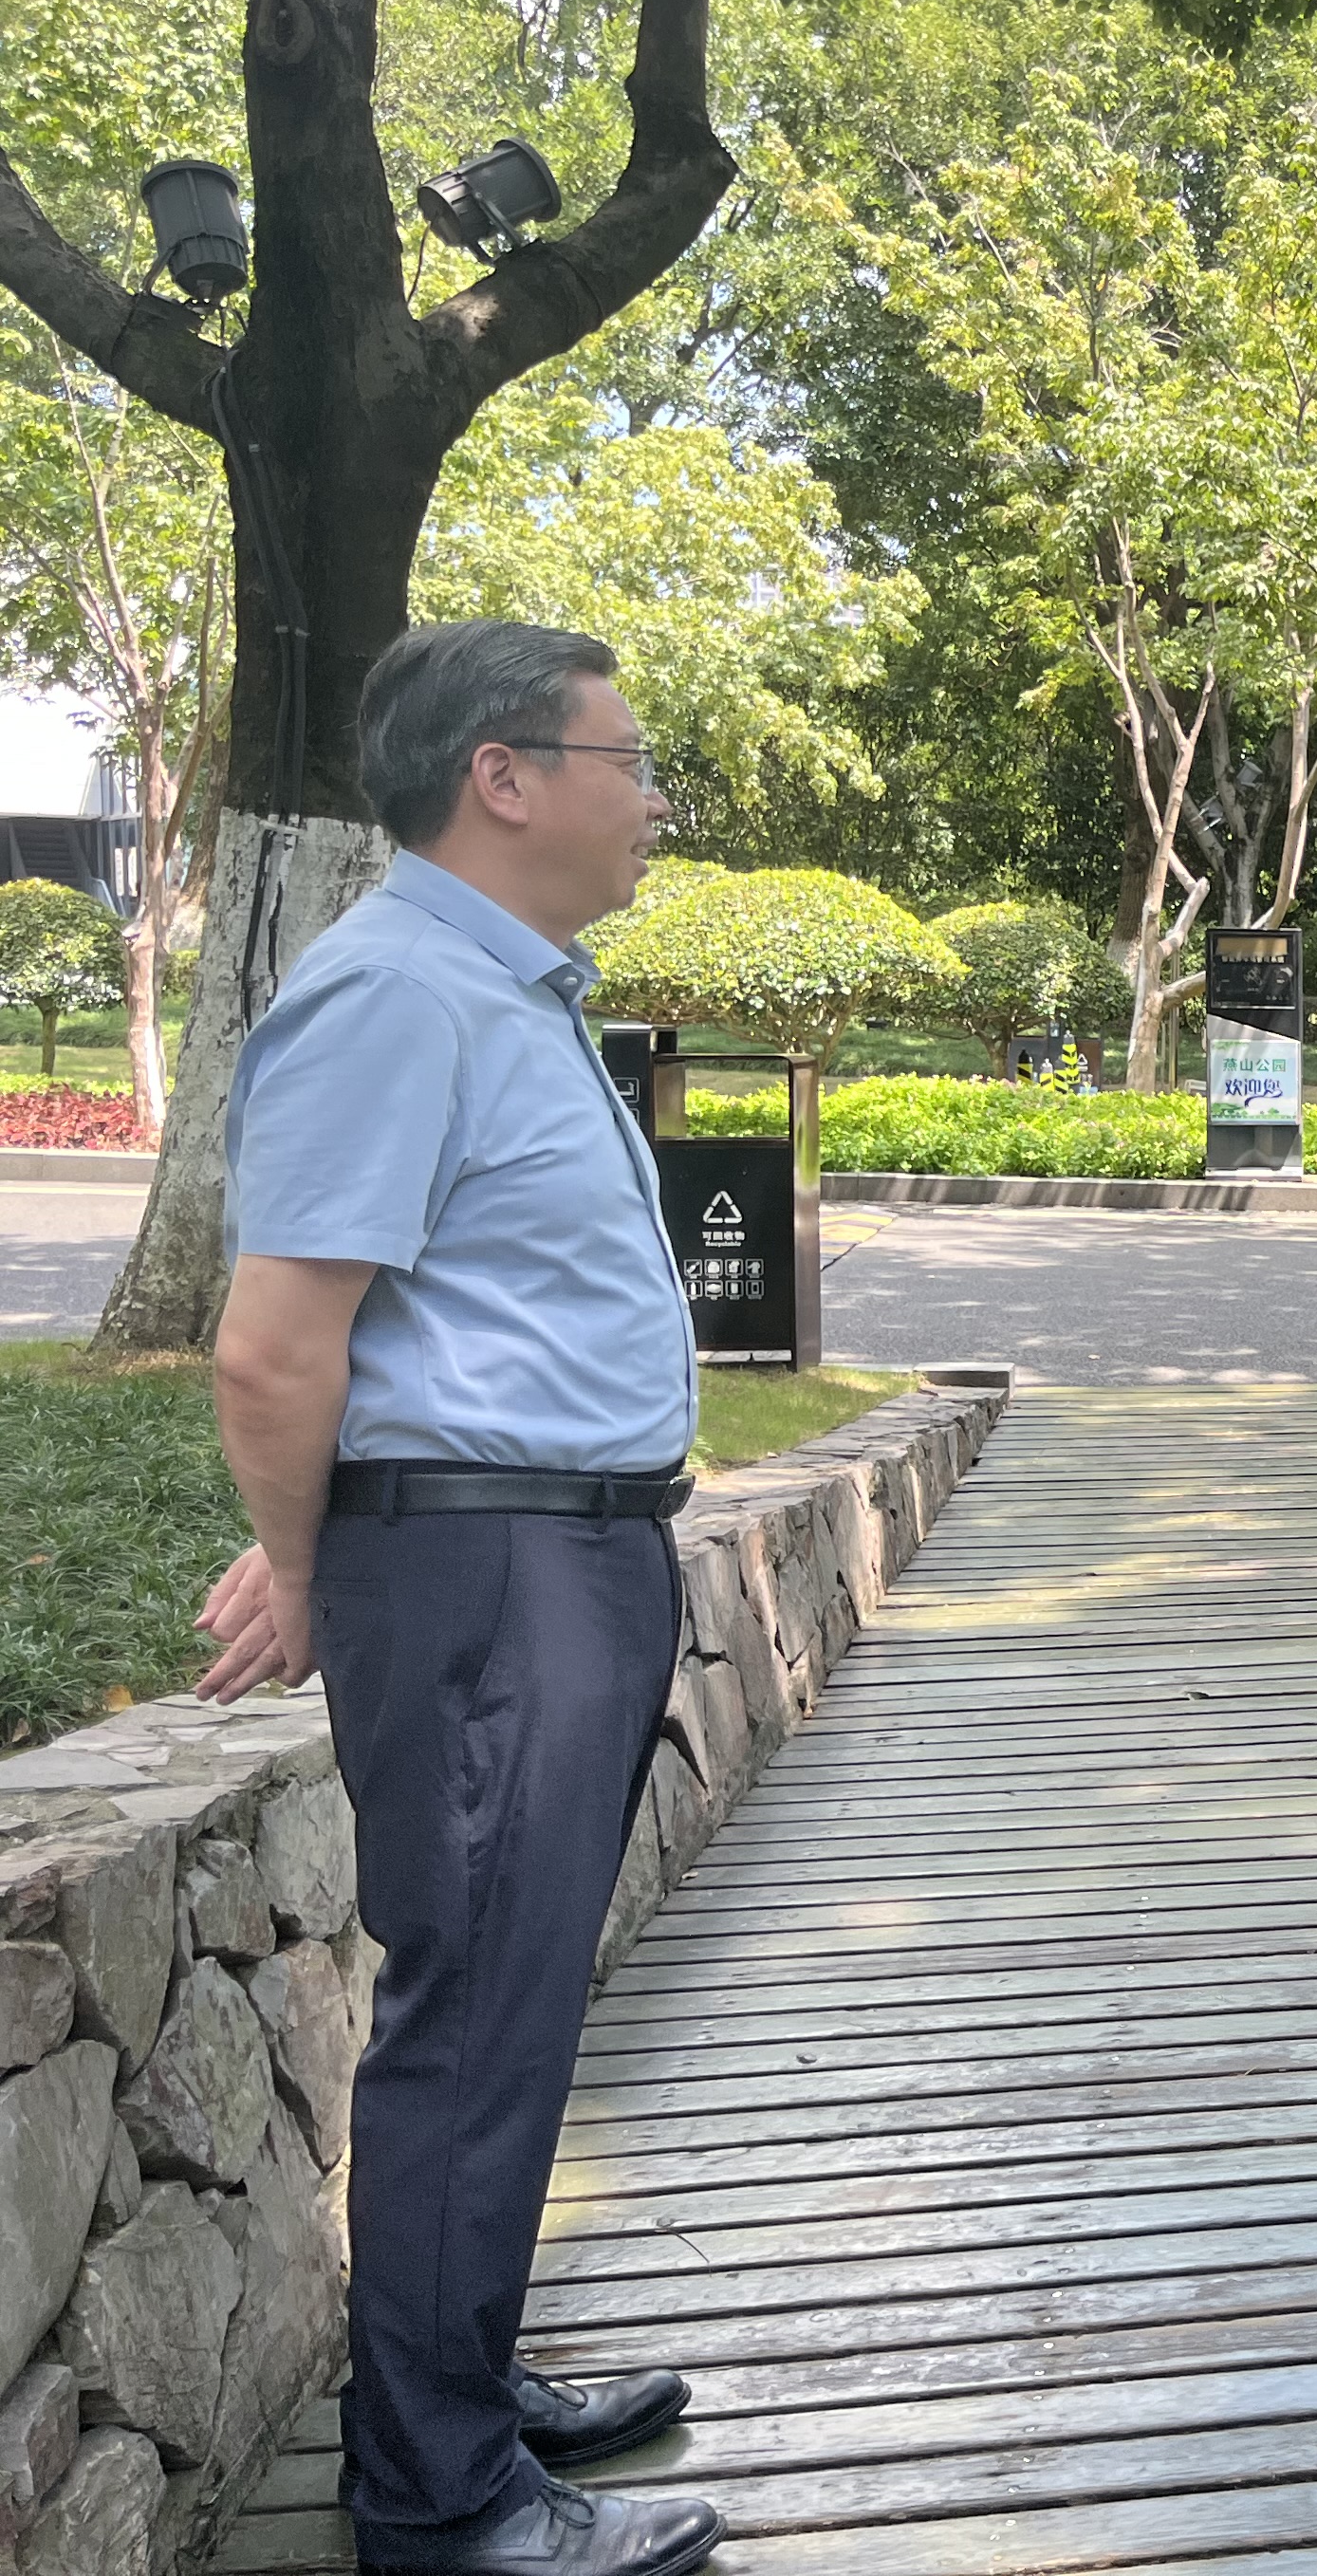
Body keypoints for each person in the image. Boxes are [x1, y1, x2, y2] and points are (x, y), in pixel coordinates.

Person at [193, 622, 725, 2576]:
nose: (652, 799)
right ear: (503, 777)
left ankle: (462, 2387)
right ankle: (439, 2500)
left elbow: (418, 1327)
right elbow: (274, 1347)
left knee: (509, 2005)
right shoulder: (397, 995)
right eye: (627, 759)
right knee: (475, 2018)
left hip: (545, 1554)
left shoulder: (493, 988)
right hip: (495, 1574)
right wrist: (316, 1566)